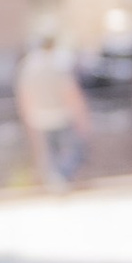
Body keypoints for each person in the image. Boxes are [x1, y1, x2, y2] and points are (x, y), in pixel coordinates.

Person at [14, 23, 90, 188]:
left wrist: (27, 118)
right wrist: (81, 117)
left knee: (51, 152)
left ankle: (56, 179)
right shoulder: (60, 63)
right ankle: (61, 177)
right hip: (62, 114)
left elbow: (24, 95)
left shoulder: (28, 66)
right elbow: (70, 93)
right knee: (75, 150)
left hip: (39, 117)